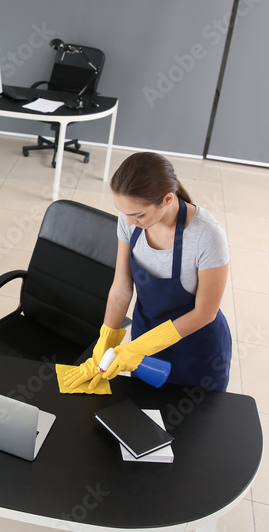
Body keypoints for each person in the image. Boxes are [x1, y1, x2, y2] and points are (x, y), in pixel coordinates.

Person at [63, 152, 232, 392]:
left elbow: (205, 313)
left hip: (196, 351)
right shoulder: (130, 219)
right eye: (125, 213)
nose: (130, 223)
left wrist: (139, 348)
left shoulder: (207, 236)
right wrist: (107, 340)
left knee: (192, 425)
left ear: (167, 199)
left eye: (139, 215)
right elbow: (121, 288)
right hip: (144, 336)